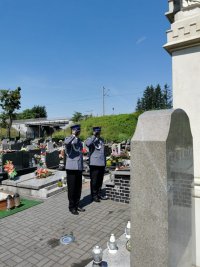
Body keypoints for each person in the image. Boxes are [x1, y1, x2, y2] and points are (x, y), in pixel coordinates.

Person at [64, 124, 85, 215]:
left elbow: (80, 153)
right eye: (76, 130)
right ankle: (71, 207)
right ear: (72, 130)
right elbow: (67, 143)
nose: (78, 132)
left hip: (79, 167)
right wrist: (73, 135)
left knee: (78, 188)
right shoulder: (68, 139)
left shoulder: (79, 141)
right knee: (72, 188)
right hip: (71, 167)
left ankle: (77, 204)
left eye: (78, 131)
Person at [85, 126, 108, 202]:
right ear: (94, 132)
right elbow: (88, 144)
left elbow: (103, 152)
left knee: (100, 180)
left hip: (101, 163)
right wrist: (94, 136)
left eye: (99, 131)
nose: (98, 133)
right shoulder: (90, 139)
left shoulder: (102, 140)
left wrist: (105, 162)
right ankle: (94, 196)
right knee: (94, 181)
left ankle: (99, 194)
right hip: (94, 163)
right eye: (97, 131)